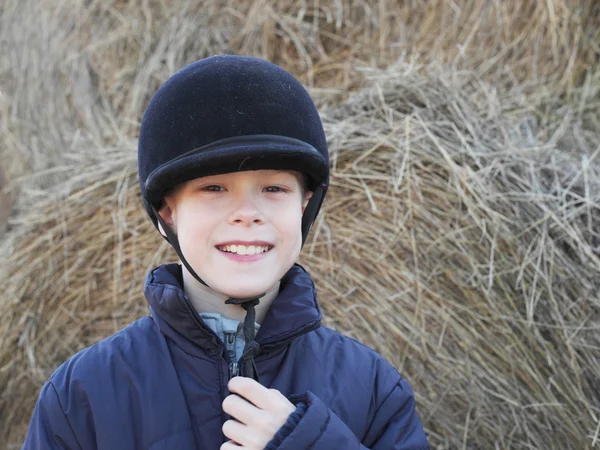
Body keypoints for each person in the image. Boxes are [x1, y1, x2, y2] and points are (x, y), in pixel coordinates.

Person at [21, 55, 430, 450]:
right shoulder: (81, 395)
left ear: (304, 205)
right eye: (213, 189)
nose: (247, 215)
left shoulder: (375, 388)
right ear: (167, 210)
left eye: (274, 189)